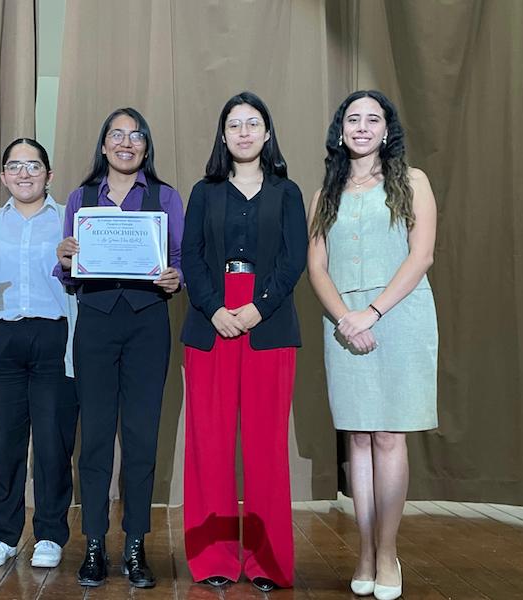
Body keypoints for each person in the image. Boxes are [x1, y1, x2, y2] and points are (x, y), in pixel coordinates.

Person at [307, 90, 438, 600]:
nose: (362, 127)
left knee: (388, 436)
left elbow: (421, 254)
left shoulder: (412, 181)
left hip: (400, 317)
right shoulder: (325, 194)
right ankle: (363, 550)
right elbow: (316, 266)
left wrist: (373, 312)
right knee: (358, 437)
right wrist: (345, 317)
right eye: (353, 119)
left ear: (387, 130)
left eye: (372, 119)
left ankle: (388, 552)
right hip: (342, 323)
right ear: (341, 131)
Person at [181, 91, 308, 593]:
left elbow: (293, 259)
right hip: (211, 322)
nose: (244, 132)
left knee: (265, 447)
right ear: (223, 134)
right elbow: (190, 256)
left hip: (268, 322)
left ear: (267, 132)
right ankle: (211, 557)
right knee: (209, 444)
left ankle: (267, 562)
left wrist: (257, 307)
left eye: (252, 123)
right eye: (234, 125)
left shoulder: (288, 191)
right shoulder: (204, 191)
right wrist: (215, 309)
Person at [55, 107, 184, 588]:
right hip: (95, 323)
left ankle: (135, 546)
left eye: (136, 136)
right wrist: (64, 257)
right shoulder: (81, 197)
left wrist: (177, 276)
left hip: (149, 323)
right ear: (104, 145)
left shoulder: (166, 197)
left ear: (146, 147)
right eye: (117, 135)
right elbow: (69, 272)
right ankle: (92, 543)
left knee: (141, 438)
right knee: (95, 439)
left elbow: (177, 260)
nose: (126, 143)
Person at [0, 138, 78, 569]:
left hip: (53, 336)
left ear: (49, 175)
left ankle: (50, 533)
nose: (24, 174)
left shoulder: (67, 220)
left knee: (53, 440)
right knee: (8, 441)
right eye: (14, 166)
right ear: (3, 176)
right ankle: (6, 534)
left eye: (33, 166)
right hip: (2, 337)